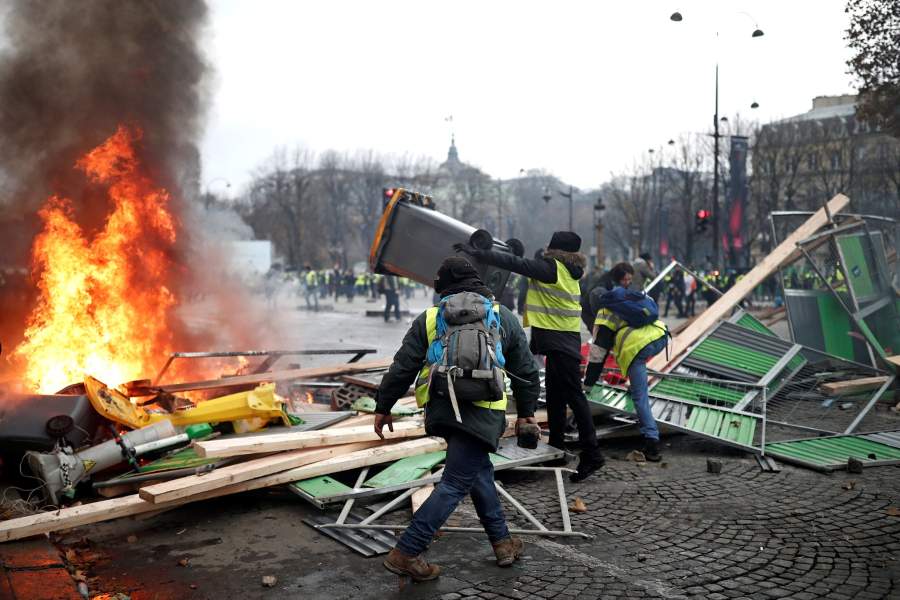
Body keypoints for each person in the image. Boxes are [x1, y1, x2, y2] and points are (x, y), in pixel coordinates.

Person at [374, 256, 540, 581]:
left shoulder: (431, 317)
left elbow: (403, 365)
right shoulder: (500, 315)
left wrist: (383, 405)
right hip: (484, 411)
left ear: (443, 286)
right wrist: (526, 413)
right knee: (455, 482)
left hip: (443, 408)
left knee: (478, 473)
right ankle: (407, 550)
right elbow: (525, 370)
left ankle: (502, 543)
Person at [456, 231, 605, 482]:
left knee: (574, 397)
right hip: (562, 340)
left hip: (560, 341)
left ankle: (592, 453)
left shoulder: (552, 268)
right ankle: (557, 448)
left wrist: (479, 254)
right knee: (557, 397)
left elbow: (517, 265)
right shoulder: (568, 270)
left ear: (555, 249)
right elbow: (522, 262)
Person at [593, 265, 669, 461]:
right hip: (660, 336)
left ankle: (651, 443)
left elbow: (598, 353)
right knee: (638, 386)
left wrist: (588, 382)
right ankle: (636, 389)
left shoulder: (605, 310)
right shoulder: (631, 297)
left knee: (640, 396)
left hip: (638, 348)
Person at [583, 262, 633, 388]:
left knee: (606, 347)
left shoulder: (618, 285)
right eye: (625, 279)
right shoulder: (601, 289)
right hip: (594, 316)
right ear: (618, 278)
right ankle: (591, 382)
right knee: (599, 348)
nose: (627, 282)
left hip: (607, 317)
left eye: (629, 279)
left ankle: (596, 377)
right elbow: (599, 311)